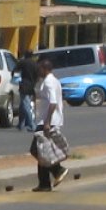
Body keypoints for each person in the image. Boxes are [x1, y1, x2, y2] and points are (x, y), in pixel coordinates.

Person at [32, 59, 69, 192]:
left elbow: (53, 102)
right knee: (43, 152)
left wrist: (47, 122)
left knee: (36, 150)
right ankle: (44, 184)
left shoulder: (48, 82)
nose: (38, 71)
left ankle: (58, 170)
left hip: (47, 122)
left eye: (39, 68)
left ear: (44, 68)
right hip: (49, 120)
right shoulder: (54, 81)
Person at [16, 50, 41, 132]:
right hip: (31, 86)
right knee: (22, 105)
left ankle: (31, 124)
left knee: (26, 105)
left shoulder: (23, 62)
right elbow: (38, 77)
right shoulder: (35, 64)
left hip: (24, 85)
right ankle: (21, 124)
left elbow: (15, 69)